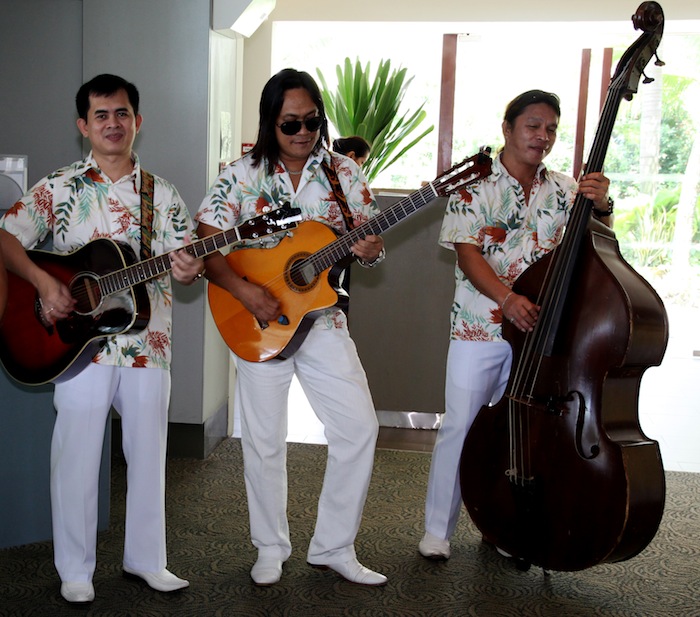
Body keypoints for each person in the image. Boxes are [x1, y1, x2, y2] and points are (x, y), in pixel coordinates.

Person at [0, 74, 203, 603]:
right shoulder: (59, 185)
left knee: (148, 454)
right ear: (82, 126)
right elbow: (5, 236)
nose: (112, 123)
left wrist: (187, 269)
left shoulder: (163, 194)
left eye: (122, 113)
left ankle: (147, 561)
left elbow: (187, 261)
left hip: (148, 344)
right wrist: (45, 282)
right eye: (101, 115)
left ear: (138, 121)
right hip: (75, 348)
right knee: (77, 456)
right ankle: (74, 570)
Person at [196, 68, 387, 587]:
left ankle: (334, 547)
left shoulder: (344, 173)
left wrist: (370, 249)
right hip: (257, 321)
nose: (304, 131)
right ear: (270, 123)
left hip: (323, 319)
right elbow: (207, 242)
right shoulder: (240, 174)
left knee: (358, 428)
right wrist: (244, 291)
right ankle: (269, 548)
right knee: (264, 440)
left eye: (312, 121)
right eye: (291, 123)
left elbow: (366, 244)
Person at [418, 90, 612, 560]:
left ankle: (501, 524)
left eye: (550, 129)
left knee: (518, 431)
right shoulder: (474, 185)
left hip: (539, 339)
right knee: (461, 428)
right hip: (478, 328)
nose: (542, 137)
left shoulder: (567, 189)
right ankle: (437, 533)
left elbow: (601, 245)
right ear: (507, 129)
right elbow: (467, 252)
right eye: (532, 126)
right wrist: (506, 299)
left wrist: (602, 206)